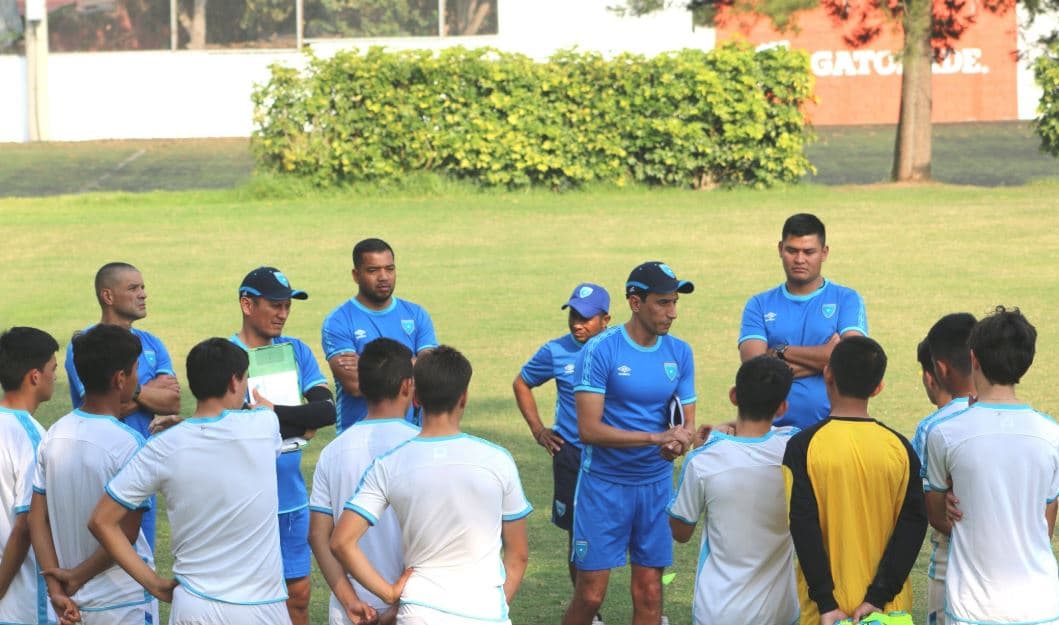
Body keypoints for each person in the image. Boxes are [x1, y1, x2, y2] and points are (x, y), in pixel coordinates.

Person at [88, 338, 291, 625]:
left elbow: (101, 521)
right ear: (235, 382)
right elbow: (248, 423)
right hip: (261, 608)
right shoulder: (264, 424)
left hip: (193, 606)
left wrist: (153, 583)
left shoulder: (162, 448)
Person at [331, 346, 532, 625]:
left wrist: (388, 593)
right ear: (463, 398)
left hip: (419, 612)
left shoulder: (390, 464)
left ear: (416, 397)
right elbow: (518, 555)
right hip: (485, 611)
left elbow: (341, 541)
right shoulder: (498, 461)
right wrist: (496, 604)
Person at [563, 261, 696, 625]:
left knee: (651, 593)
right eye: (663, 303)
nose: (672, 313)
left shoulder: (680, 352)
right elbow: (588, 429)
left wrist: (678, 443)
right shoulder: (600, 350)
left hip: (654, 487)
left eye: (674, 303)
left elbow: (687, 423)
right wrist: (655, 437)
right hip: (604, 486)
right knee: (590, 595)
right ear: (635, 303)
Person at [924, 307, 1059, 625]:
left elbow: (937, 515)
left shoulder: (945, 432)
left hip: (974, 607)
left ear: (974, 359)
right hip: (1041, 604)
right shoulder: (1052, 434)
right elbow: (1046, 526)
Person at [783, 336, 927, 625]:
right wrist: (877, 596)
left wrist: (826, 601)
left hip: (822, 612)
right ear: (878, 388)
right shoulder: (900, 448)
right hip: (888, 610)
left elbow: (803, 526)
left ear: (827, 374)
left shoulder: (803, 447)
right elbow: (912, 526)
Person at [28, 325, 158, 625]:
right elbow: (124, 532)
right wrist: (75, 577)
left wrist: (56, 588)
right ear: (120, 379)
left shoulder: (54, 435)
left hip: (68, 605)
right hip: (123, 603)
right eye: (136, 369)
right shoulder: (128, 444)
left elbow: (37, 518)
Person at [231, 266, 335, 625]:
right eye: (275, 305)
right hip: (243, 498)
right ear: (247, 304)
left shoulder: (296, 350)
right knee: (248, 598)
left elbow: (326, 410)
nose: (283, 313)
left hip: (290, 497)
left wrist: (272, 413)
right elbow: (230, 424)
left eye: (287, 305)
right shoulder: (225, 355)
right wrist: (298, 420)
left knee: (299, 595)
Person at [668, 355, 798, 625]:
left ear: (734, 395)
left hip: (719, 611)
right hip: (781, 611)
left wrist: (714, 438)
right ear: (782, 407)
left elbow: (680, 532)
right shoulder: (796, 448)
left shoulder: (703, 461)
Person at [64, 262, 180, 550]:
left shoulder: (152, 343)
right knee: (97, 547)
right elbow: (105, 404)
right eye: (133, 288)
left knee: (141, 551)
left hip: (142, 466)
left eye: (143, 287)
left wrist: (133, 392)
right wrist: (148, 393)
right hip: (98, 464)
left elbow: (173, 401)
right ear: (108, 296)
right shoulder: (85, 344)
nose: (143, 294)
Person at [512, 282, 610, 612]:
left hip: (613, 456)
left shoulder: (619, 349)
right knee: (577, 536)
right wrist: (539, 430)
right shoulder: (556, 351)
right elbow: (522, 382)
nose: (577, 324)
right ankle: (589, 613)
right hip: (571, 456)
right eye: (573, 316)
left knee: (618, 533)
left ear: (605, 319)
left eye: (586, 318)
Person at [308, 338, 419, 625]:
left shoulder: (333, 452)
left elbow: (319, 536)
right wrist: (402, 604)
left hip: (351, 613)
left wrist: (350, 601)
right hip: (413, 608)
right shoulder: (422, 447)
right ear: (408, 385)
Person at [738, 213, 868, 429]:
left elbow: (852, 361)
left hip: (831, 429)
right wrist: (826, 360)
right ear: (780, 249)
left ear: (824, 253)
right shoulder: (759, 304)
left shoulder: (846, 299)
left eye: (809, 252)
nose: (799, 260)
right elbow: (756, 372)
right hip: (770, 432)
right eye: (792, 250)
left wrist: (780, 351)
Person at [322, 238, 438, 431]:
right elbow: (355, 385)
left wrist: (369, 365)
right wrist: (411, 365)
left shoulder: (416, 314)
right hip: (357, 439)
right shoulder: (338, 320)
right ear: (356, 275)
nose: (383, 277)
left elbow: (430, 374)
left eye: (389, 269)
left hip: (408, 436)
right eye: (373, 270)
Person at [910, 313, 976, 625]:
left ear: (937, 370)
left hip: (952, 569)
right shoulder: (1037, 428)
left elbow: (924, 507)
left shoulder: (934, 429)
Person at [0, 327, 59, 625]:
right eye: (53, 368)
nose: (56, 377)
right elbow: (26, 524)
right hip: (20, 606)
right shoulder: (32, 437)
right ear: (35, 376)